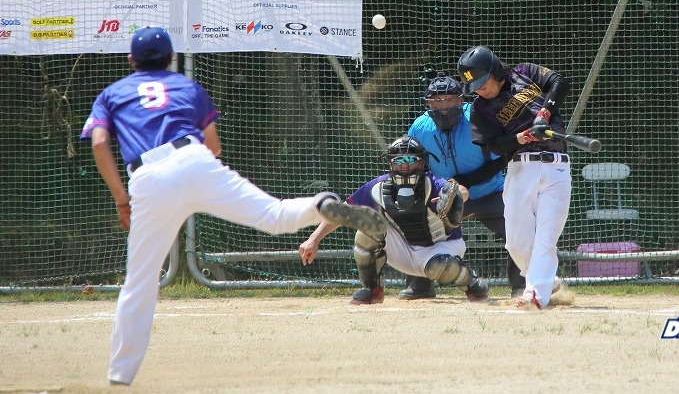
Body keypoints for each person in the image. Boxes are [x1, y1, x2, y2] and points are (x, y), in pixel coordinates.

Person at [80, 26, 358, 386]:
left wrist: (122, 198)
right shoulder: (187, 87)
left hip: (149, 176)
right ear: (171, 58)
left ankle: (120, 376)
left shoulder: (112, 93)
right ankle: (320, 204)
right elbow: (213, 147)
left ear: (131, 59)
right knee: (272, 215)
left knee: (140, 282)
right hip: (195, 159)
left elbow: (99, 143)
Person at [298, 134, 490, 304]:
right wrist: (314, 239)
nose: (404, 165)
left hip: (441, 246)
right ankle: (372, 289)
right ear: (390, 163)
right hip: (402, 249)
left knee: (439, 266)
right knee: (367, 225)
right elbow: (344, 212)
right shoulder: (378, 187)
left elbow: (459, 190)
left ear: (422, 163)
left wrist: (455, 196)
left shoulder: (433, 183)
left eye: (410, 159)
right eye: (398, 160)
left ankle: (472, 283)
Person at [457, 45, 571, 309]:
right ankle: (547, 280)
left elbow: (559, 82)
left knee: (545, 237)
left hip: (557, 167)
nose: (481, 90)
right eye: (475, 87)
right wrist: (524, 136)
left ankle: (535, 294)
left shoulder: (524, 72)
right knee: (516, 244)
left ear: (495, 70)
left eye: (484, 83)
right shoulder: (480, 108)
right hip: (522, 169)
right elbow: (494, 146)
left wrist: (544, 114)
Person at [399, 71, 526, 299]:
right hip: (443, 196)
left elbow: (502, 158)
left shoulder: (479, 117)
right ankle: (419, 286)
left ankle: (522, 285)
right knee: (416, 224)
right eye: (436, 100)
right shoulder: (419, 127)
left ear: (461, 100)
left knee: (519, 228)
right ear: (427, 103)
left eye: (450, 99)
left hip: (490, 191)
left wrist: (466, 182)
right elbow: (417, 166)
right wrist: (437, 189)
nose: (443, 106)